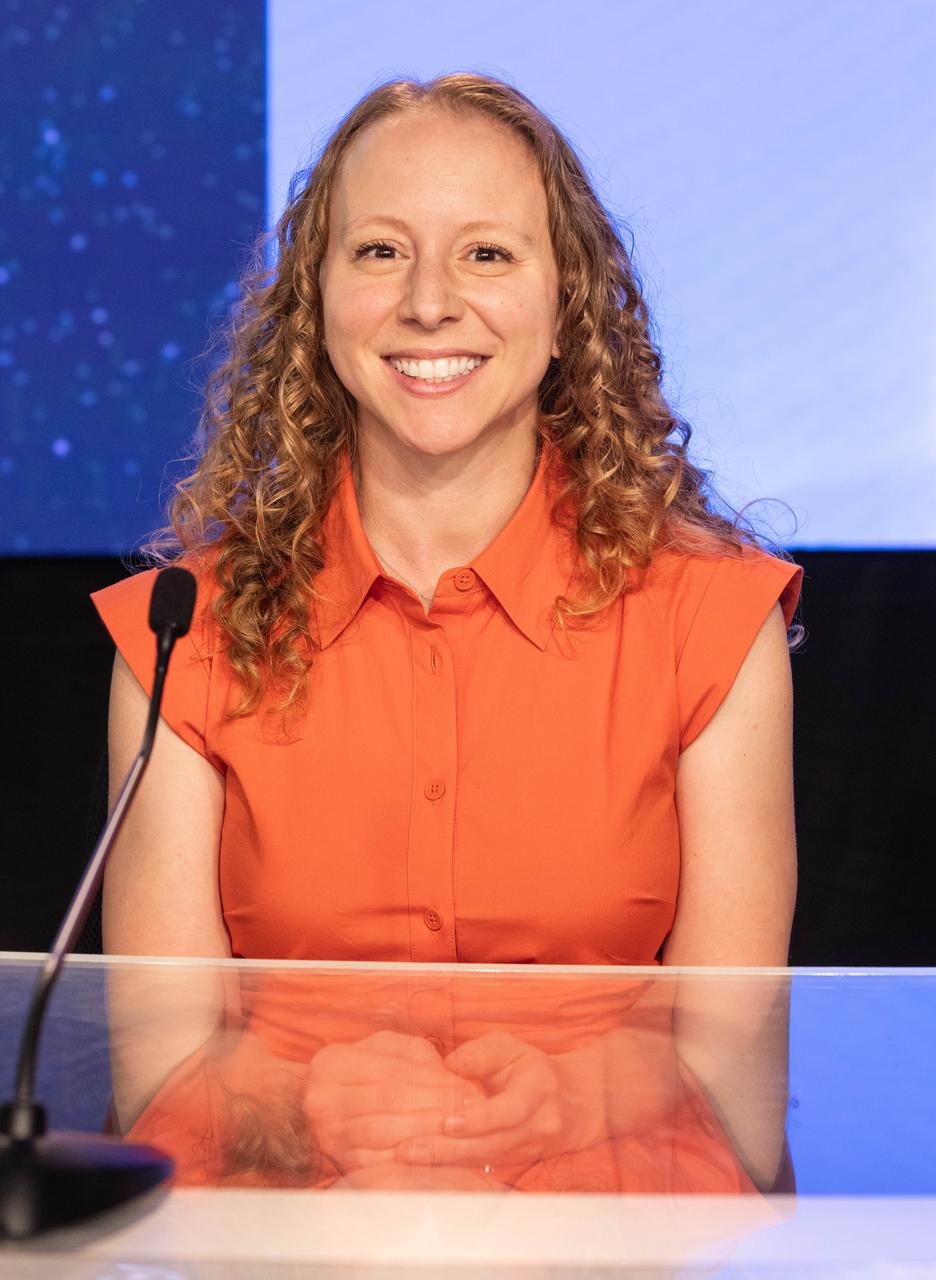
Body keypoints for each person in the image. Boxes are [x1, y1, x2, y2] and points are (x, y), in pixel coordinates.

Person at [91, 73, 803, 1193]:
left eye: (487, 253)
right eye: (380, 251)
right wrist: (298, 1100)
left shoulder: (708, 621)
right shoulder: (183, 635)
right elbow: (158, 1067)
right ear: (315, 299)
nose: (429, 302)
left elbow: (734, 1057)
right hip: (286, 1237)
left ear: (567, 304)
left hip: (604, 1233)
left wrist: (569, 1096)